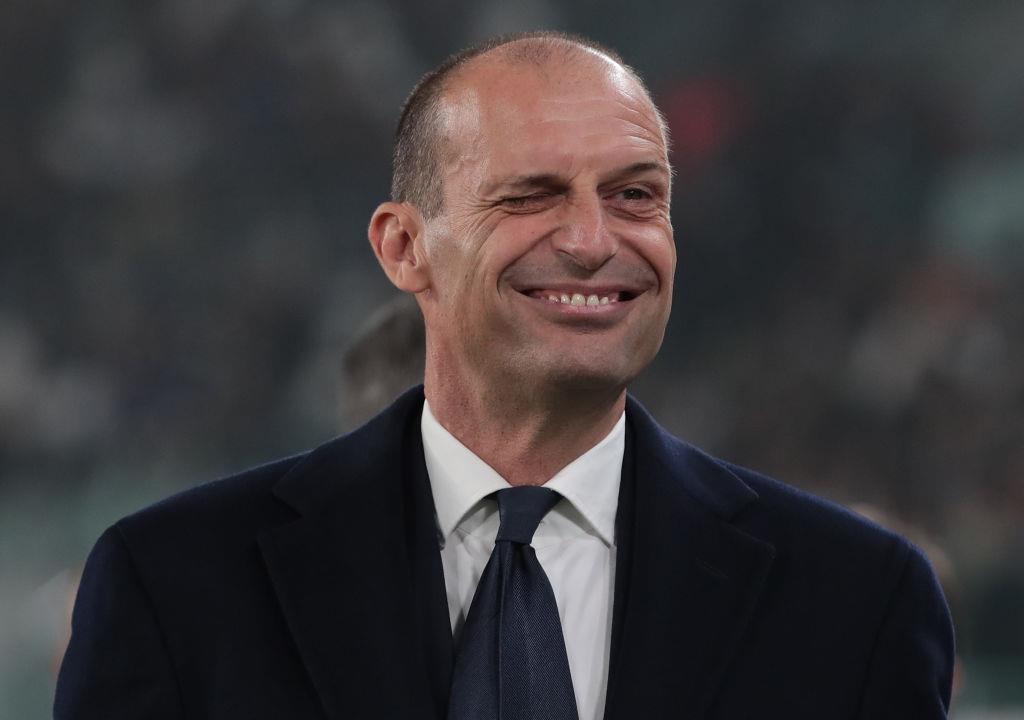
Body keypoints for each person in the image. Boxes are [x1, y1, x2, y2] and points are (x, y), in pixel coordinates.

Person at [55, 31, 954, 719]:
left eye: (636, 195)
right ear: (404, 247)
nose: (593, 240)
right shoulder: (177, 583)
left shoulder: (855, 599)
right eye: (530, 195)